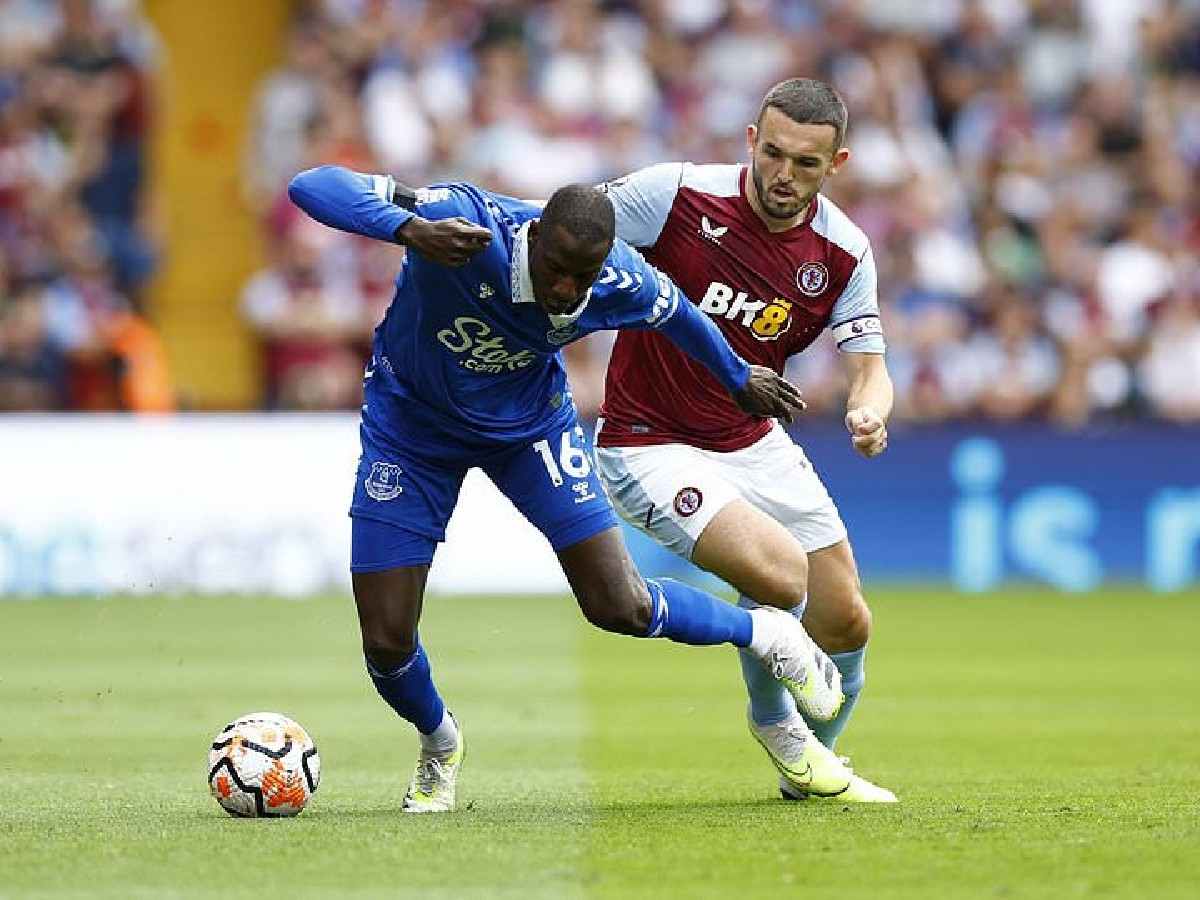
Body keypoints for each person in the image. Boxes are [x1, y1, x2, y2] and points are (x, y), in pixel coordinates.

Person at [287, 164, 851, 813]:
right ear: (534, 239)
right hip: (410, 430)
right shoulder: (468, 224)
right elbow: (313, 186)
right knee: (386, 642)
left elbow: (682, 317)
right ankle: (440, 742)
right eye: (555, 267)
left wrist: (737, 377)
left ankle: (767, 634)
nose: (566, 288)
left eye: (582, 276)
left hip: (530, 429)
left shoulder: (618, 279)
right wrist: (409, 228)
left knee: (619, 604)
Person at [594, 78, 897, 802]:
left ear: (838, 163)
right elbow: (564, 227)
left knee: (847, 620)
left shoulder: (844, 252)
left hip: (753, 439)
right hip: (648, 441)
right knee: (779, 575)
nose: (784, 176)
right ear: (752, 140)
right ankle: (776, 724)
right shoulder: (674, 195)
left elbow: (872, 370)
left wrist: (869, 412)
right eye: (775, 154)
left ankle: (812, 768)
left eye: (807, 164)